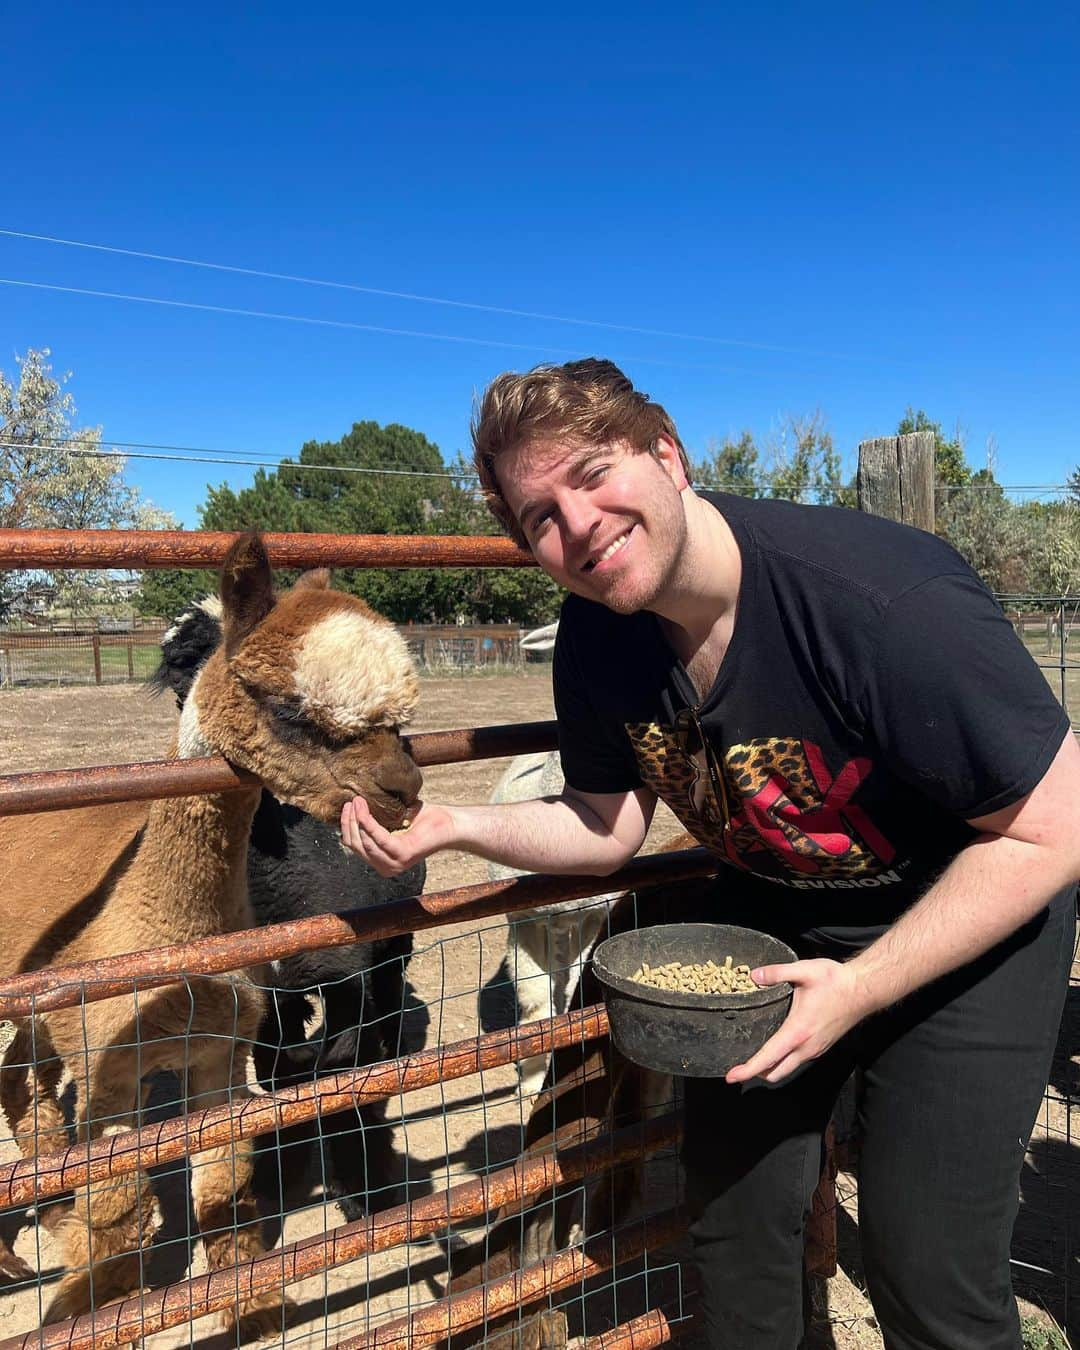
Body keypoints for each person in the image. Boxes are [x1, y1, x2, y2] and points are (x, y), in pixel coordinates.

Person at [341, 359, 1079, 1350]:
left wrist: (859, 989)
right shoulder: (600, 638)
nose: (579, 524)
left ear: (666, 453)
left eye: (594, 473)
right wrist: (456, 826)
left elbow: (1055, 824)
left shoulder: (879, 605)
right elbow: (607, 825)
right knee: (735, 1237)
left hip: (967, 928)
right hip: (777, 925)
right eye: (539, 516)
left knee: (927, 1271)